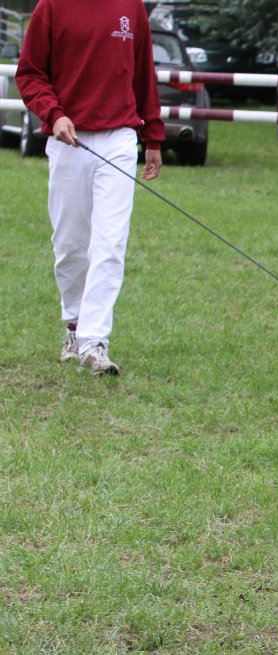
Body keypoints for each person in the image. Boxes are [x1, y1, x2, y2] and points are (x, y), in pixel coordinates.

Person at [17, 0, 164, 376]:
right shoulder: (50, 7)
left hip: (119, 136)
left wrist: (153, 137)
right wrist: (54, 113)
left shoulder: (132, 6)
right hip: (69, 139)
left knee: (110, 243)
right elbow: (30, 74)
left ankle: (94, 342)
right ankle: (73, 325)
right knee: (70, 244)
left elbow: (143, 74)